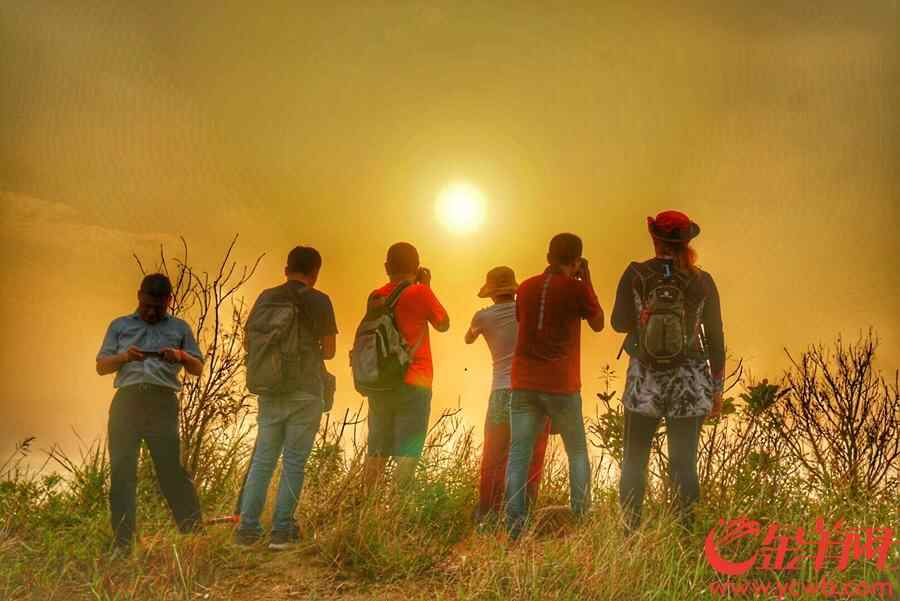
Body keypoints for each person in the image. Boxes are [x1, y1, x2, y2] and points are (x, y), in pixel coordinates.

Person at [611, 210, 725, 534]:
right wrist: (716, 390)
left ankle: (630, 532)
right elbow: (715, 338)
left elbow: (618, 323)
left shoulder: (635, 274)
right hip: (689, 383)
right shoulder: (703, 281)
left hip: (644, 382)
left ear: (654, 238)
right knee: (684, 464)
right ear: (687, 241)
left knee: (634, 460)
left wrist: (644, 318)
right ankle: (684, 536)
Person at [235, 246, 337, 549]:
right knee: (294, 462)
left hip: (269, 388)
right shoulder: (319, 300)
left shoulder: (266, 298)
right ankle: (281, 531)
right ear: (315, 272)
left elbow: (249, 342)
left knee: (263, 460)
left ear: (286, 269)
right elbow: (329, 350)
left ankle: (247, 530)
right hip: (305, 390)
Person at [96, 273, 205, 554]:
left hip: (162, 404)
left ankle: (195, 535)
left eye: (158, 307)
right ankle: (123, 543)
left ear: (168, 301)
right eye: (147, 306)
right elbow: (101, 366)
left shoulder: (180, 328)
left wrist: (181, 356)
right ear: (139, 296)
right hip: (127, 403)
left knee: (171, 471)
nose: (152, 312)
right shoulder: (119, 325)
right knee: (122, 472)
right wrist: (125, 357)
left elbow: (198, 367)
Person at [505, 234, 604, 539]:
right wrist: (587, 281)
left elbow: (522, 320)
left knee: (519, 453)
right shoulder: (576, 289)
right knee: (576, 452)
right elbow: (598, 322)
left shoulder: (525, 287)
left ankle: (514, 525)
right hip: (561, 384)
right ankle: (581, 517)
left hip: (523, 382)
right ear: (576, 261)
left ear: (548, 256)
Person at [465, 266, 551, 524]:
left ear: (491, 293)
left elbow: (468, 338)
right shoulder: (529, 312)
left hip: (501, 393)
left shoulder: (483, 317)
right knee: (530, 457)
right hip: (533, 392)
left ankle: (488, 515)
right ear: (514, 290)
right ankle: (524, 515)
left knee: (494, 457)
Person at [362, 242, 449, 488]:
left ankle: (366, 503)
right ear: (417, 267)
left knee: (376, 450)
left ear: (386, 267)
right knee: (407, 453)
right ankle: (399, 504)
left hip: (380, 381)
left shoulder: (376, 296)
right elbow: (443, 324)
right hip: (415, 381)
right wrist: (426, 286)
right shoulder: (420, 292)